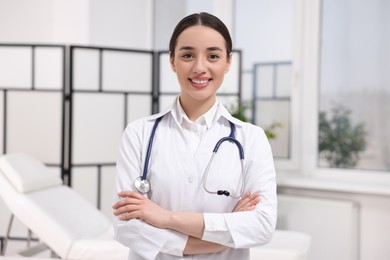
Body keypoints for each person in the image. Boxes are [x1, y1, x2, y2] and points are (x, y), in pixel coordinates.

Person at [112, 12, 277, 260]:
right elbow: (126, 227)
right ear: (172, 61)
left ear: (228, 62)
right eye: (188, 55)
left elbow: (262, 226)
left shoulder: (251, 138)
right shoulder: (139, 134)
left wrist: (166, 218)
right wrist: (218, 237)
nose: (200, 68)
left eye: (213, 56)